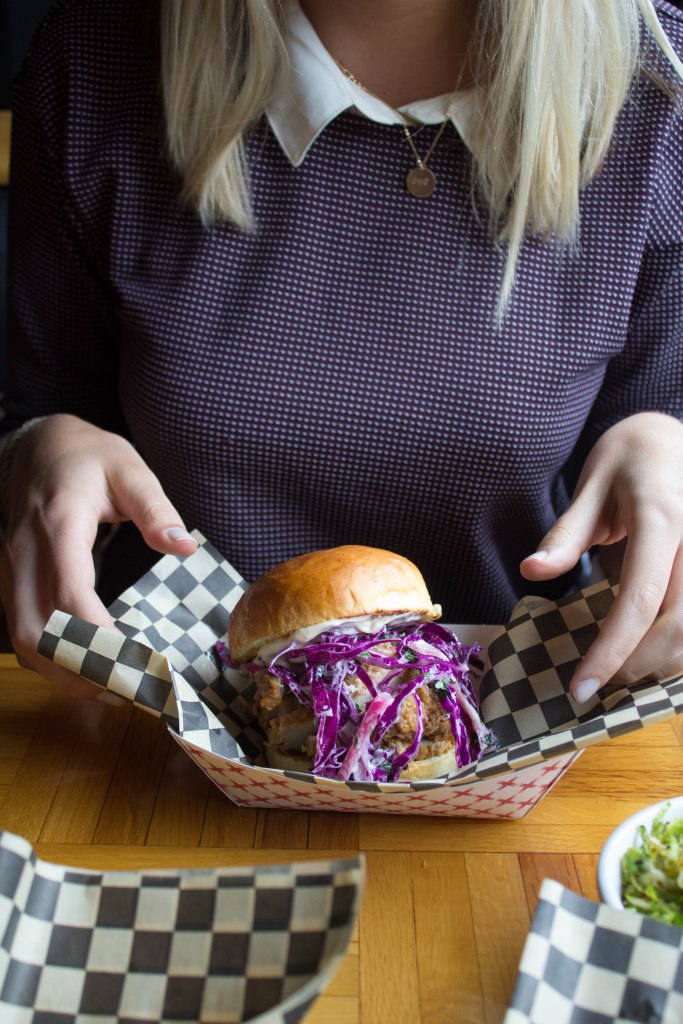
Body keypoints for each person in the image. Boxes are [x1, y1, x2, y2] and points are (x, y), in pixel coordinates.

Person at [0, 0, 682, 706]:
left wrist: (663, 441)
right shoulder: (95, 54)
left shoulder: (660, 81)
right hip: (149, 709)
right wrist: (39, 450)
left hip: (533, 708)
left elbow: (650, 418)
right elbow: (48, 406)